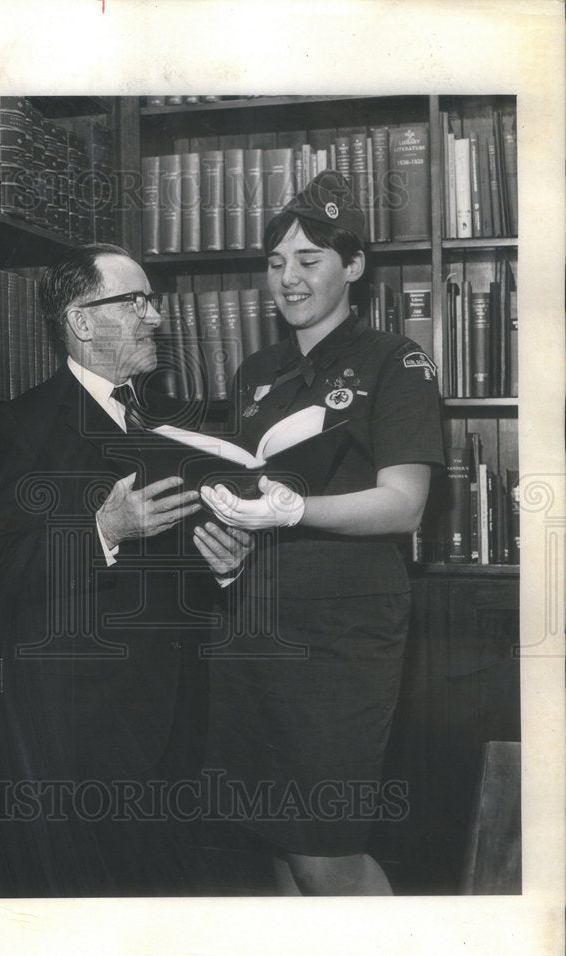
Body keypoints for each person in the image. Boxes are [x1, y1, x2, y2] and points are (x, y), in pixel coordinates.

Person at [0, 243, 252, 896]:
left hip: (172, 719)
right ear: (81, 319)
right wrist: (102, 528)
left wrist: (222, 566)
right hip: (79, 735)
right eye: (135, 302)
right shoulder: (18, 427)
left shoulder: (166, 421)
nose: (154, 318)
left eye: (151, 302)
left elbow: (170, 560)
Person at [200, 171, 445, 895]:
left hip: (342, 635)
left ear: (353, 266)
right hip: (253, 623)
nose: (288, 279)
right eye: (276, 264)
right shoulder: (256, 371)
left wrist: (295, 512)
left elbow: (404, 505)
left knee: (322, 847)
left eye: (309, 261)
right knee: (276, 839)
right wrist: (229, 546)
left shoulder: (394, 362)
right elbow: (252, 487)